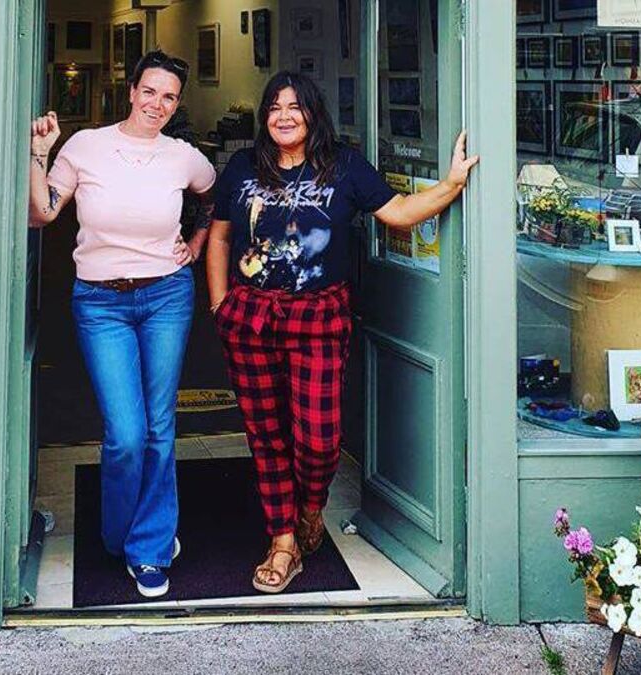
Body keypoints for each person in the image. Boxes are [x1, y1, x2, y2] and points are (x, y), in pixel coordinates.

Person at [205, 71, 478, 594]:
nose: (284, 116)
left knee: (318, 438)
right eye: (274, 108)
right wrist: (220, 305)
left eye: (295, 107)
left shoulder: (344, 165)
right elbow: (219, 237)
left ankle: (311, 506)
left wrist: (451, 185)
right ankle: (283, 541)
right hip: (252, 317)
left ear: (313, 113)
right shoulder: (243, 166)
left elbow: (398, 213)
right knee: (266, 434)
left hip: (318, 317)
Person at [28, 50, 216, 599]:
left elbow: (213, 196)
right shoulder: (86, 146)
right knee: (126, 434)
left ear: (176, 104)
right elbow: (42, 213)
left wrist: (196, 243)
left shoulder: (183, 157)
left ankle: (149, 548)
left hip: (167, 297)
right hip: (100, 303)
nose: (158, 103)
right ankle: (122, 532)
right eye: (150, 91)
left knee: (159, 426)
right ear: (132, 91)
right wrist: (39, 153)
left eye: (169, 96)